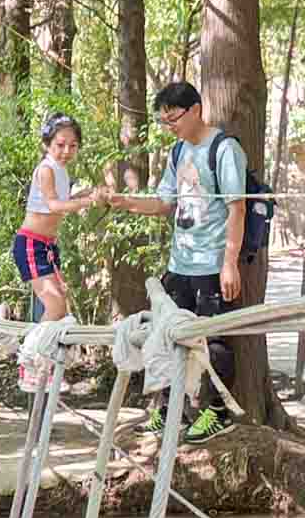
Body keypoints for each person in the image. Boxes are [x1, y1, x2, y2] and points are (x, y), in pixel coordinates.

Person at [86, 81, 243, 443]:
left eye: (173, 119)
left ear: (195, 110)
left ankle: (217, 413)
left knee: (214, 338)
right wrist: (124, 203)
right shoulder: (177, 152)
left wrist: (229, 262)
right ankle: (170, 409)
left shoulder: (223, 149)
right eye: (164, 121)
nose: (170, 126)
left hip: (211, 263)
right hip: (180, 263)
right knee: (166, 332)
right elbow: (163, 203)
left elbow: (238, 206)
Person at [15, 113, 93, 387]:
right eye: (60, 144)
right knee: (54, 304)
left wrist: (88, 194)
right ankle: (29, 363)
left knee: (61, 306)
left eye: (72, 145)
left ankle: (44, 369)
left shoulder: (62, 171)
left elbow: (65, 200)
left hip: (47, 245)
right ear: (48, 144)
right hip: (31, 244)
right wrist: (87, 202)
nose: (66, 151)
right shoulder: (46, 169)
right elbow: (54, 205)